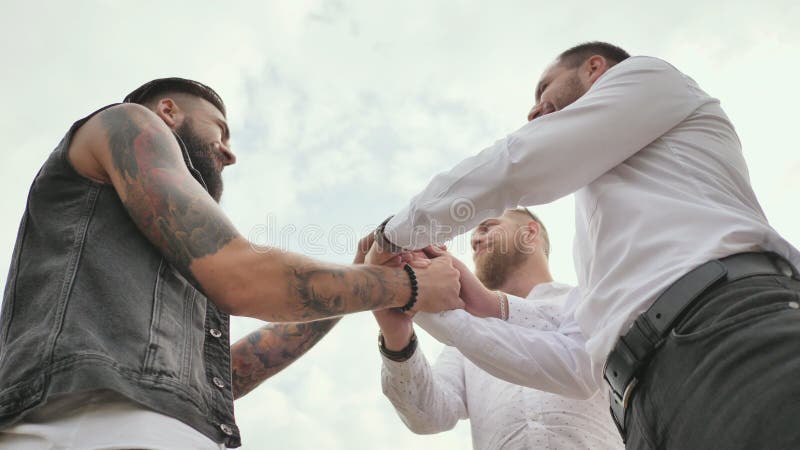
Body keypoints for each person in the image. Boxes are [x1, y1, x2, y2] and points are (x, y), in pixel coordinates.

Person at [370, 42, 800, 449]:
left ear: (594, 68)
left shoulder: (647, 78)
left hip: (725, 329)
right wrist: (422, 302)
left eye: (545, 87)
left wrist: (396, 236)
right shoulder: (598, 251)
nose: (534, 108)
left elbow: (524, 163)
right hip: (648, 408)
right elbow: (580, 364)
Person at [0, 78, 462, 449]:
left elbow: (231, 372)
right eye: (219, 129)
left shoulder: (178, 252)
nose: (229, 151)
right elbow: (244, 278)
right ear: (167, 112)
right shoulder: (128, 123)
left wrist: (366, 273)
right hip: (91, 424)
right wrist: (405, 285)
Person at [375, 209, 622, 449]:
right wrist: (397, 336)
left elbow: (583, 365)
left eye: (488, 226)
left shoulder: (586, 302)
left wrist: (425, 309)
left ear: (529, 233)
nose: (475, 239)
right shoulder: (460, 345)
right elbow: (428, 415)